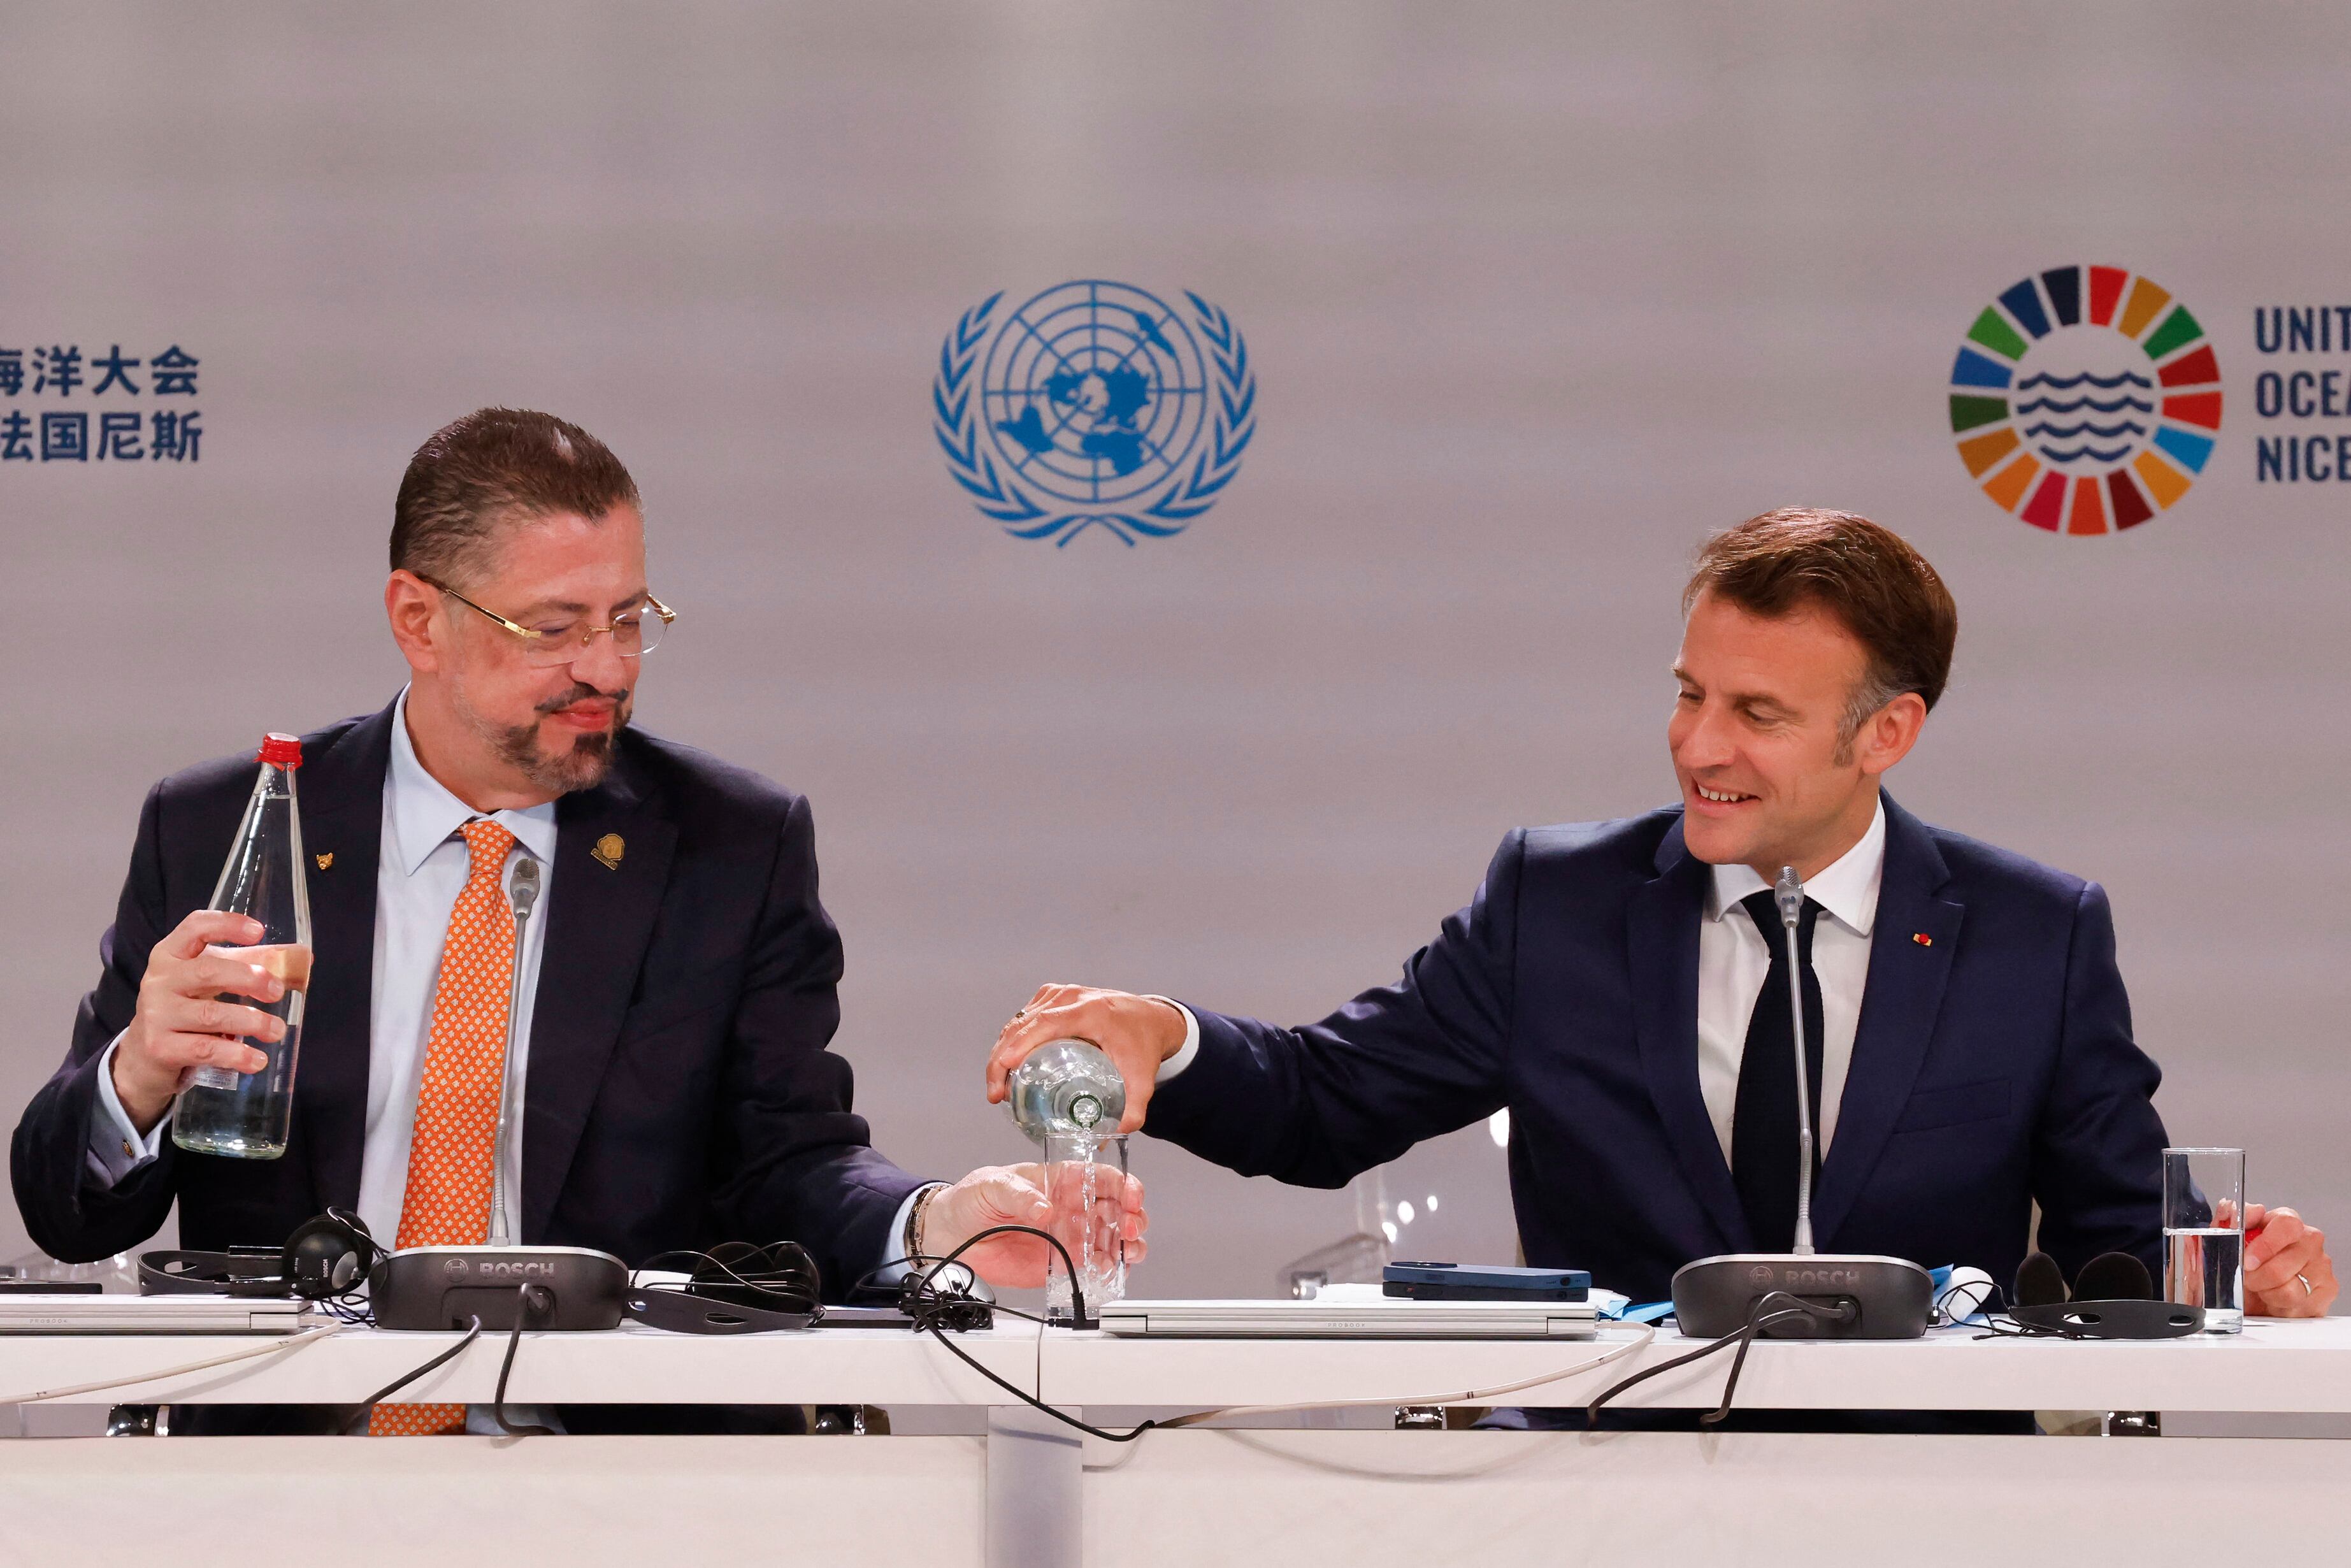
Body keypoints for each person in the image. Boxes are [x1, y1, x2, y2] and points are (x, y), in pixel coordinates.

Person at [13, 407, 1143, 1434]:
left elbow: (786, 1163)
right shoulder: (228, 825)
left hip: (619, 1475)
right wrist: (137, 1078)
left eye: (627, 619)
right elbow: (66, 1210)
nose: (604, 667)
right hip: (284, 1467)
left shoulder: (727, 845)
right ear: (420, 617)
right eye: (554, 628)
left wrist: (935, 1221)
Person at [987, 508, 2331, 1320]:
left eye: (1758, 713)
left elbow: (2119, 1239)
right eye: (1691, 692)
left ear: (1889, 734)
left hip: (1928, 1478)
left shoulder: (2034, 936)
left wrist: (2233, 1276)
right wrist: (1165, 1029)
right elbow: (1326, 1101)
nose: (1699, 744)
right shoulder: (1556, 903)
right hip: (1600, 1473)